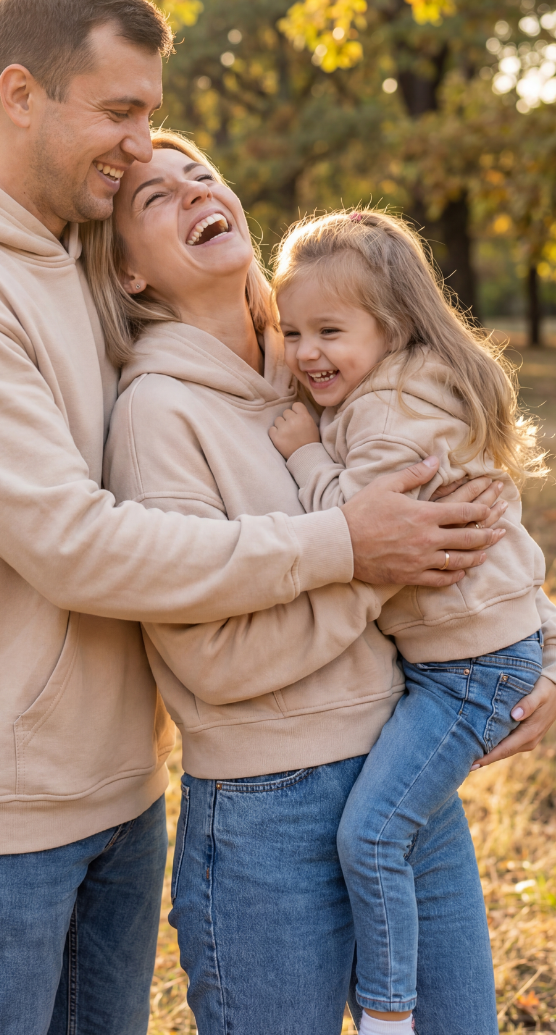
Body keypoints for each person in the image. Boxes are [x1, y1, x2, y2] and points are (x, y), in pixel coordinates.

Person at [0, 0, 518, 1034]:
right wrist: (354, 550)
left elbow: (453, 492)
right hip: (6, 796)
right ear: (21, 94)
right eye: (121, 114)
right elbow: (81, 545)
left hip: (133, 779)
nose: (141, 147)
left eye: (157, 124)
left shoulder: (300, 355)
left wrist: (515, 649)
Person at [96, 131, 556, 1035]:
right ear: (128, 274)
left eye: (202, 174)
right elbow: (213, 662)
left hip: (400, 768)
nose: (195, 192)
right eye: (155, 197)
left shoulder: (335, 363)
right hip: (268, 811)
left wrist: (542, 644)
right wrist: (374, 559)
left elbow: (474, 509)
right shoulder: (156, 414)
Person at [267, 209, 556, 1035]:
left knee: (372, 836)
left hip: (469, 672)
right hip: (466, 657)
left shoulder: (393, 415)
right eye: (293, 331)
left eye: (330, 331)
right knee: (390, 829)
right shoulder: (395, 389)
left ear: (390, 327)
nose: (307, 352)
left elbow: (361, 525)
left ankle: (390, 1012)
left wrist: (304, 452)